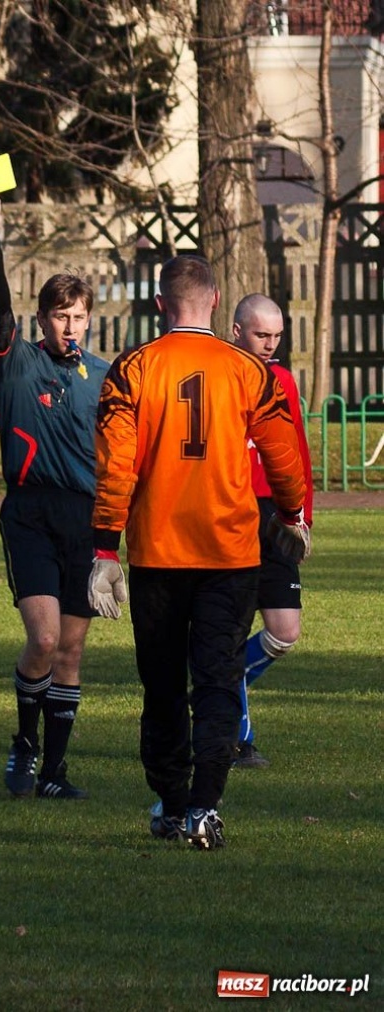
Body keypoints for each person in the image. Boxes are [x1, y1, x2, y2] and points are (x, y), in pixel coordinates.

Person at [88, 254, 309, 849]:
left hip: (157, 553)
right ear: (215, 302)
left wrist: (105, 547)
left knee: (161, 686)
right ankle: (204, 808)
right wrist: (292, 513)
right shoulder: (247, 369)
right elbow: (282, 452)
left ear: (161, 305)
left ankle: (169, 799)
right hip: (229, 554)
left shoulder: (132, 369)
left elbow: (115, 467)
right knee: (216, 680)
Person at [0, 183, 110, 800]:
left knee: (73, 651)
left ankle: (55, 773)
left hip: (86, 519)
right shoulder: (17, 359)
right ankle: (24, 745)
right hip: (29, 513)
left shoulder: (105, 378)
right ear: (43, 320)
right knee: (46, 639)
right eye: (61, 316)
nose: (72, 326)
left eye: (81, 316)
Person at [231, 293, 314, 768]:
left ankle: (212, 683)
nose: (270, 343)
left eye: (277, 336)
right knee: (234, 625)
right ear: (237, 329)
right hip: (232, 512)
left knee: (284, 633)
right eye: (262, 334)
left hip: (279, 515)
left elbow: (297, 451)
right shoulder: (220, 374)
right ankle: (240, 740)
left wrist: (303, 518)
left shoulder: (282, 379)